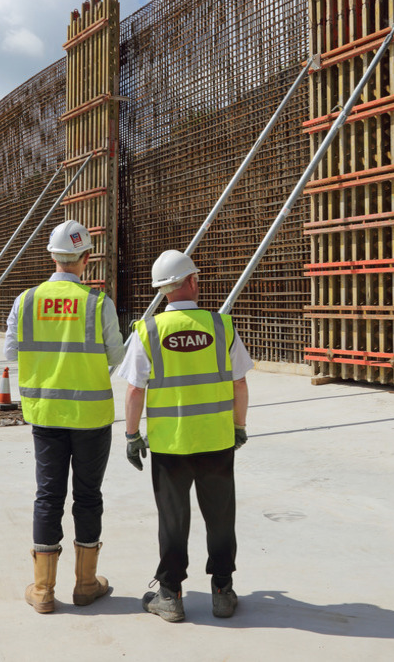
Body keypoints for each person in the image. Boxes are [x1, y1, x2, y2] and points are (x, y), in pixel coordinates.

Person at [118, 250, 252, 623]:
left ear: (162, 290)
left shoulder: (148, 331)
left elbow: (134, 390)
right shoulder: (221, 326)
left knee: (173, 520)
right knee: (221, 517)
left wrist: (132, 435)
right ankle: (222, 591)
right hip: (216, 441)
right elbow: (239, 383)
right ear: (192, 281)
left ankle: (170, 595)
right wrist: (239, 425)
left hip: (169, 445)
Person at [4, 219, 125, 614]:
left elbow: (11, 351)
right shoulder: (98, 303)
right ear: (86, 258)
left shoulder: (25, 301)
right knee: (88, 496)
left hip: (45, 415)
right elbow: (117, 355)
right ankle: (86, 585)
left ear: (53, 257)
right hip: (91, 417)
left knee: (48, 495)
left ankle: (43, 590)